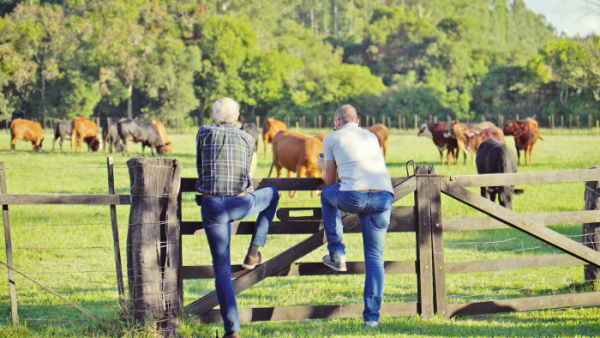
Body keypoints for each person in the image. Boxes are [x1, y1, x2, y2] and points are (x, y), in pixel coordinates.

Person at [196, 97, 279, 338]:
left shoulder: (204, 133)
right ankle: (253, 253)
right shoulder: (247, 138)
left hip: (212, 205)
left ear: (214, 115)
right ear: (236, 116)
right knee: (272, 194)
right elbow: (247, 176)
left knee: (221, 270)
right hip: (240, 202)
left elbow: (202, 170)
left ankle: (232, 331)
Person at [317, 104, 394, 328]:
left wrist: (322, 164)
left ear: (338, 121)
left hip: (354, 196)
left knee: (326, 195)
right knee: (375, 257)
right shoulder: (370, 137)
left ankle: (337, 253)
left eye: (335, 122)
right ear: (357, 121)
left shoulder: (331, 137)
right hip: (383, 196)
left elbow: (330, 180)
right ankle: (371, 318)